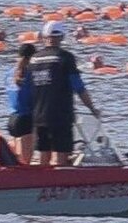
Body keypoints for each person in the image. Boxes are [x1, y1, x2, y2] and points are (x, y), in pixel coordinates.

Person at [29, 21, 99, 166]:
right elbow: (79, 87)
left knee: (44, 153)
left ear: (44, 36)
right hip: (60, 115)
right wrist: (92, 109)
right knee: (62, 154)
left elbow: (29, 88)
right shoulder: (65, 57)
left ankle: (42, 185)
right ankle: (59, 186)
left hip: (38, 116)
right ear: (62, 37)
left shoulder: (34, 59)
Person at [5, 43, 37, 163]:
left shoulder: (9, 73)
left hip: (12, 119)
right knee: (25, 164)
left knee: (18, 161)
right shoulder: (30, 74)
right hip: (25, 120)